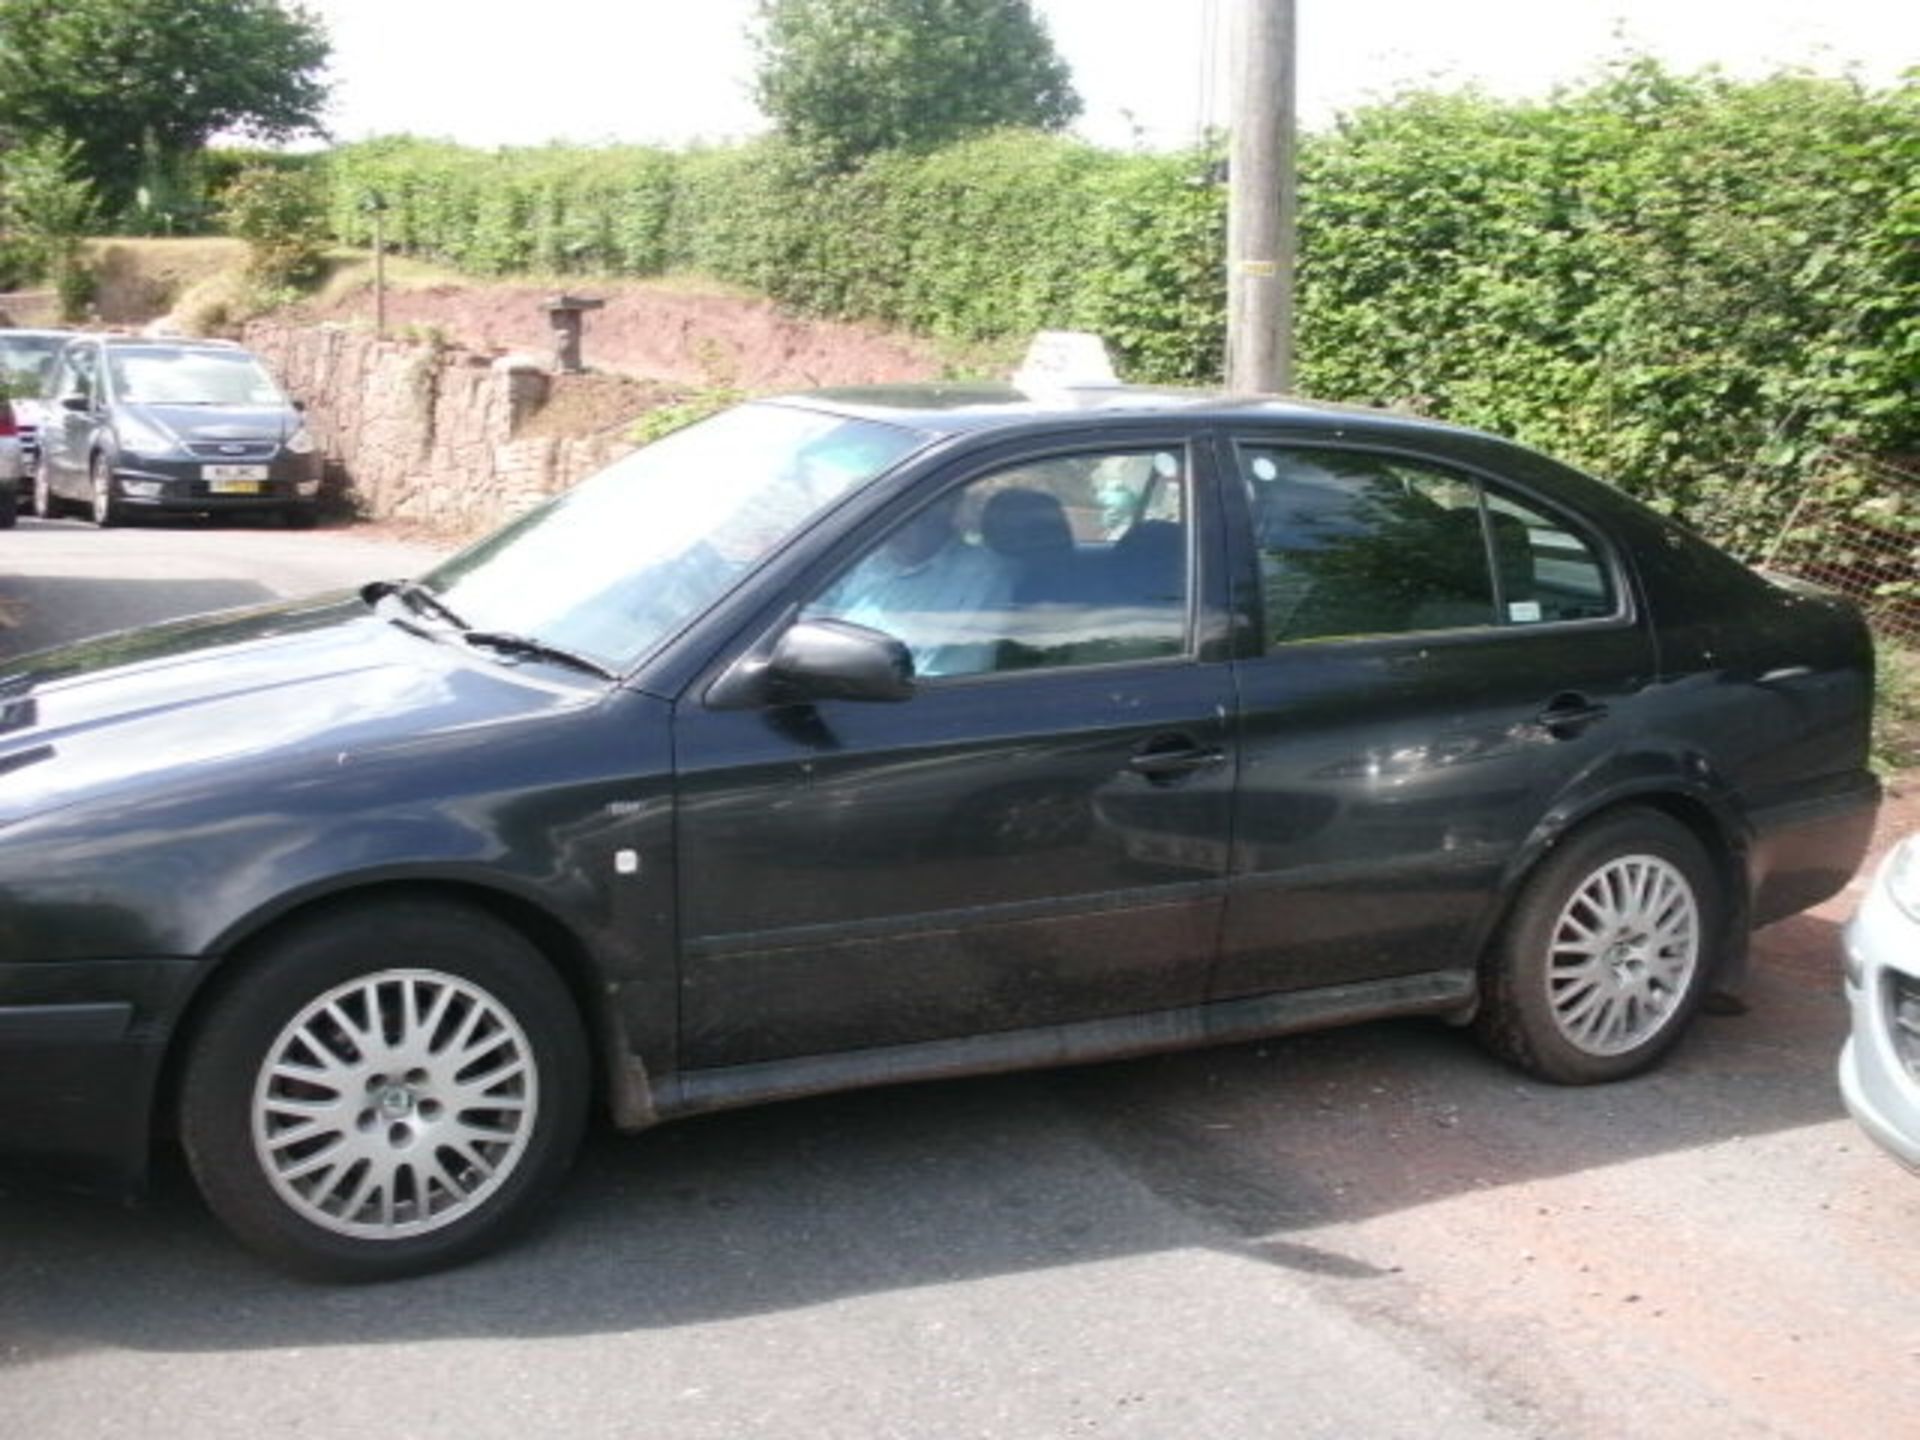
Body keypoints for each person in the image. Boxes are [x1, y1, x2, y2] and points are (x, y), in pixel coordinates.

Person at [811, 490, 1013, 678]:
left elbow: (955, 672)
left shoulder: (981, 574)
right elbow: (806, 615)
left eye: (923, 514)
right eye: (888, 515)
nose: (904, 526)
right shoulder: (860, 560)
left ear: (949, 511)